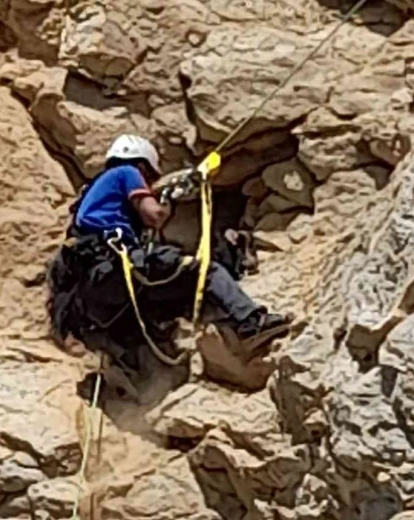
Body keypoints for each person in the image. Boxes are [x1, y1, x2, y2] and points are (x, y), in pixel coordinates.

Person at [47, 134, 290, 374]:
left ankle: (132, 365)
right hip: (119, 266)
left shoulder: (94, 195)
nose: (147, 184)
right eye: (149, 178)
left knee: (172, 299)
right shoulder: (127, 173)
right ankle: (251, 322)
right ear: (141, 164)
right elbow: (154, 215)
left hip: (97, 289)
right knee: (206, 271)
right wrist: (166, 203)